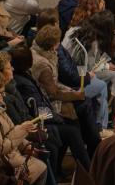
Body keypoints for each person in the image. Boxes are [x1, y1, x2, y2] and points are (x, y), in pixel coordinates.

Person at [31, 24, 98, 169]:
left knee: (84, 107)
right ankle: (91, 159)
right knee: (80, 113)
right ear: (53, 44)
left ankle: (91, 153)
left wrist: (72, 91)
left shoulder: (43, 53)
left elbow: (56, 84)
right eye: (58, 42)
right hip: (50, 105)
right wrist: (75, 96)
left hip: (54, 96)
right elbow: (53, 93)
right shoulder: (43, 65)